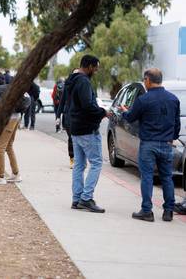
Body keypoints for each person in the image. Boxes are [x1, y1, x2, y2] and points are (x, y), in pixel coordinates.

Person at [119, 68, 179, 222]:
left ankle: (147, 211)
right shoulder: (173, 99)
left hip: (148, 144)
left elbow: (131, 118)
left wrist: (125, 111)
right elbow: (176, 124)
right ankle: (168, 212)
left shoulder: (143, 100)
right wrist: (172, 137)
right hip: (166, 144)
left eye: (144, 80)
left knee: (147, 177)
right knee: (167, 177)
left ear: (148, 80)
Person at [68, 55, 110, 213]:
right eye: (96, 67)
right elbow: (87, 106)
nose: (97, 71)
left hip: (75, 128)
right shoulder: (84, 82)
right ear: (89, 66)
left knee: (79, 165)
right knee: (97, 163)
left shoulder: (72, 80)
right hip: (87, 130)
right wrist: (103, 112)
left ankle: (77, 199)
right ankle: (86, 199)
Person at [56, 70, 79, 169]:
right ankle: (72, 158)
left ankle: (79, 159)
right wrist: (58, 116)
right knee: (71, 138)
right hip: (68, 116)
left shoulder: (82, 86)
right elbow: (62, 102)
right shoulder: (67, 86)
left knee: (79, 139)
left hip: (79, 117)